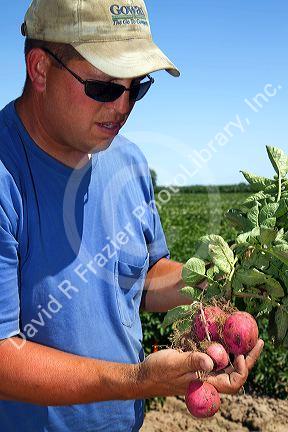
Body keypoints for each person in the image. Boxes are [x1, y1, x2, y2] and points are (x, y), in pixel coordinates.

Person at [0, 0, 263, 431]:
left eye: (136, 87)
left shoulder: (127, 161)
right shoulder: (6, 176)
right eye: (104, 87)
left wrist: (222, 290)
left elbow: (138, 280)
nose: (123, 106)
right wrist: (139, 380)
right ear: (40, 69)